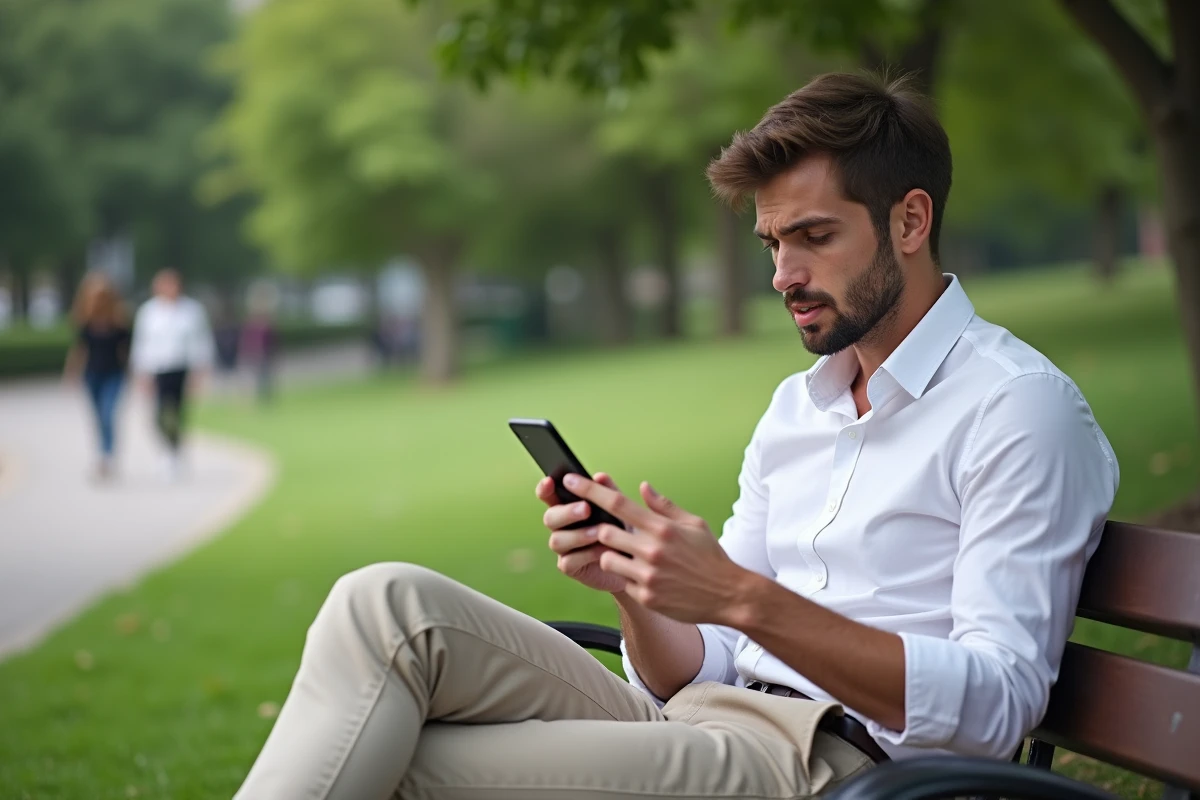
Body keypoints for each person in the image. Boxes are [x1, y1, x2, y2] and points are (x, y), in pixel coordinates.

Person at [234, 72, 1120, 799]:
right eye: (772, 243)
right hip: (706, 722)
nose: (784, 274)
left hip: (845, 770)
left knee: (395, 764)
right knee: (383, 603)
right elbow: (699, 665)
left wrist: (737, 595)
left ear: (911, 221)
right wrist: (639, 587)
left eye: (814, 237)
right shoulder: (797, 408)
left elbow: (999, 705)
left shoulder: (1016, 410)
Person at [129, 268, 215, 479]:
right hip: (157, 368)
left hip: (181, 367)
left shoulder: (192, 310)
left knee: (177, 412)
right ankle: (168, 448)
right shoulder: (148, 312)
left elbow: (201, 341)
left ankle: (174, 452)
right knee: (158, 414)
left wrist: (201, 370)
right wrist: (140, 372)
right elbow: (142, 343)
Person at [62, 272, 132, 480]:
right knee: (98, 417)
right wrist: (71, 373)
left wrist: (134, 374)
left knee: (108, 413)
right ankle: (101, 452)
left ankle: (107, 456)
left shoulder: (119, 322)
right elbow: (79, 350)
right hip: (91, 375)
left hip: (114, 374)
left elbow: (126, 351)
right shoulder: (84, 321)